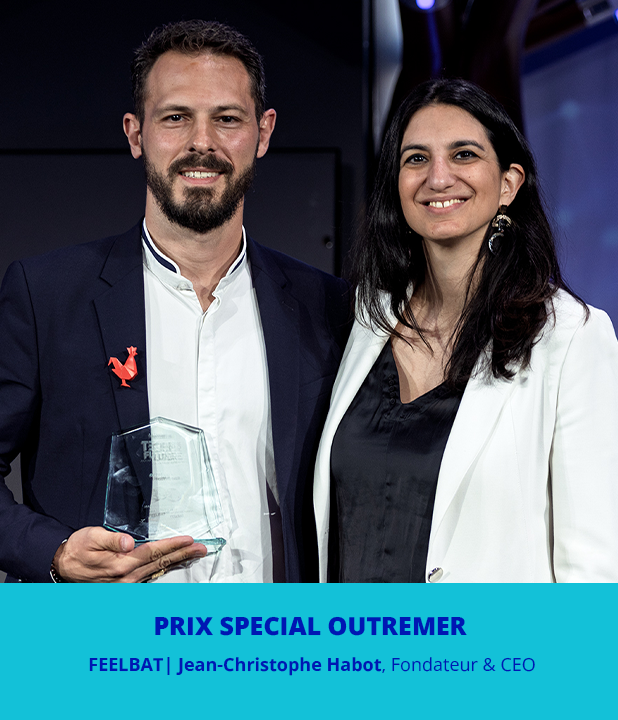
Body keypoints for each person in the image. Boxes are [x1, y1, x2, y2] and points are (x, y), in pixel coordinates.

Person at [0, 20, 351, 583]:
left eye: (227, 119)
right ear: (135, 133)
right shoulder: (47, 297)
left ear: (263, 132)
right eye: (175, 117)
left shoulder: (327, 307)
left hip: (272, 634)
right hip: (104, 633)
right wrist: (55, 552)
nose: (201, 142)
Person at [314, 78, 618, 583]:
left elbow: (594, 570)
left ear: (509, 184)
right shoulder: (367, 318)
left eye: (464, 155)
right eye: (416, 158)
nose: (438, 177)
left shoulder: (571, 337)